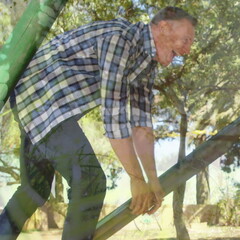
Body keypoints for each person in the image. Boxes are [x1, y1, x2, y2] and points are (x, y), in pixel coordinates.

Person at [0, 6, 197, 239]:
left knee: (34, 190)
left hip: (45, 107)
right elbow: (113, 114)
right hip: (41, 97)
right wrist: (136, 178)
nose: (187, 50)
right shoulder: (120, 38)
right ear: (163, 27)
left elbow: (142, 125)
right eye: (186, 40)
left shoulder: (146, 64)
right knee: (90, 181)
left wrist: (152, 182)